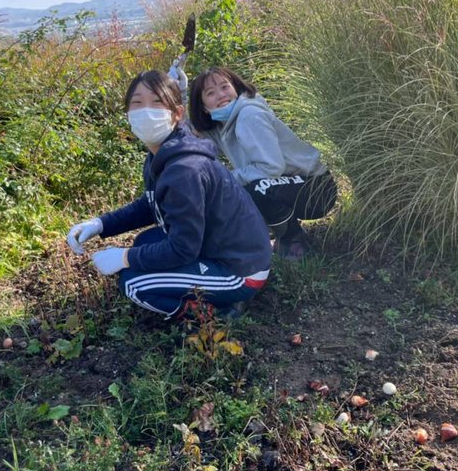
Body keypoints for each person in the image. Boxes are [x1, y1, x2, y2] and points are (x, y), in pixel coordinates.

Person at [66, 70, 272, 319]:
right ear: (128, 114)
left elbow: (183, 249)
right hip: (216, 248)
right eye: (137, 103)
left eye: (157, 102)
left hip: (240, 271)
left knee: (133, 283)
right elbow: (149, 204)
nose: (146, 111)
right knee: (144, 242)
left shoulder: (184, 171)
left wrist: (124, 257)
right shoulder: (164, 152)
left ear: (177, 114)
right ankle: (210, 294)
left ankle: (214, 314)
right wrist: (100, 224)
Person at [187, 67, 338, 261]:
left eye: (225, 87)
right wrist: (178, 93)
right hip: (291, 184)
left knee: (254, 190)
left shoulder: (249, 116)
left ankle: (294, 242)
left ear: (236, 88)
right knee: (242, 189)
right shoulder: (222, 124)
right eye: (211, 93)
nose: (221, 95)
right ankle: (274, 235)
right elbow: (192, 131)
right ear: (204, 107)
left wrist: (230, 178)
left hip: (318, 190)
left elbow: (271, 167)